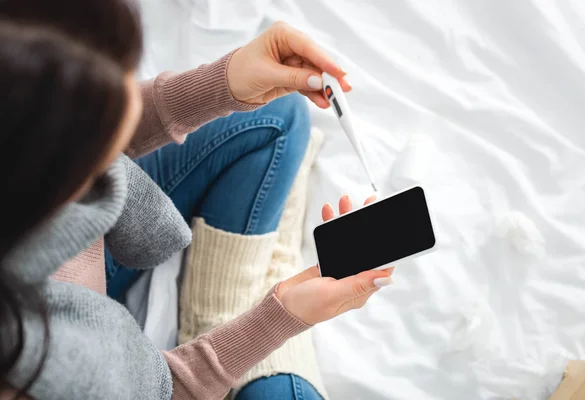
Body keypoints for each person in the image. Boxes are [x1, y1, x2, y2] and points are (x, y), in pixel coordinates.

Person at [0, 0, 394, 399]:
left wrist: (225, 82)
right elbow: (165, 391)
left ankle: (232, 302)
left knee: (280, 111)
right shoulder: (42, 369)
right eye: (106, 124)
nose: (133, 104)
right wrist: (279, 319)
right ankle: (227, 309)